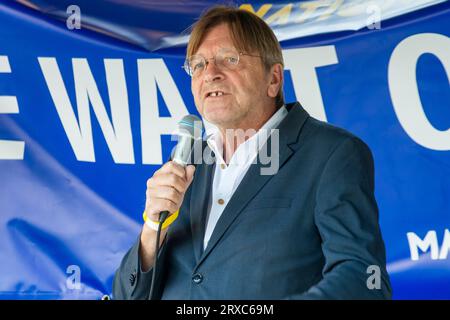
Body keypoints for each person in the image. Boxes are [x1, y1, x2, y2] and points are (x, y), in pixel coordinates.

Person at [113, 6, 392, 300]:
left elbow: (363, 280)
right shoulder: (184, 163)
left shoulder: (332, 154)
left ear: (273, 79)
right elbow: (124, 296)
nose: (210, 74)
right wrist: (152, 231)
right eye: (198, 65)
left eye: (229, 60)